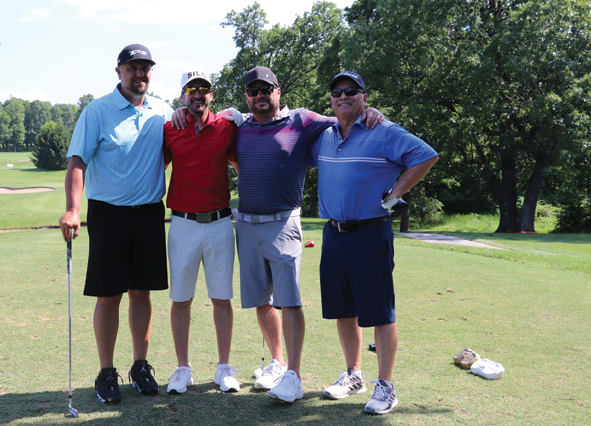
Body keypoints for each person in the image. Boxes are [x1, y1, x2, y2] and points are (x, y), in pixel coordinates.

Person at [233, 66, 384, 404]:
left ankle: (294, 375)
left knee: (289, 300)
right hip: (245, 223)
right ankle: (277, 361)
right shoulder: (238, 124)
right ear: (247, 96)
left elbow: (345, 120)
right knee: (261, 299)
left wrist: (369, 111)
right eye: (253, 90)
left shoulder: (303, 120)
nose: (260, 95)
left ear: (278, 91)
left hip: (284, 221)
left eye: (266, 89)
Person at [309, 70, 438, 414]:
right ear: (331, 101)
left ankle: (386, 386)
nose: (343, 96)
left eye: (351, 90)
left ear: (365, 98)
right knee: (343, 309)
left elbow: (426, 156)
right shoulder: (324, 136)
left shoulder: (382, 130)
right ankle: (354, 374)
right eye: (336, 92)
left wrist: (396, 192)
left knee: (380, 311)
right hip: (334, 234)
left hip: (370, 232)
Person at [58, 44, 172, 405]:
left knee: (142, 292)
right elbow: (78, 162)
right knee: (109, 296)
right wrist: (73, 210)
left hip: (150, 213)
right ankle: (107, 372)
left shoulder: (163, 111)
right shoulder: (98, 111)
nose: (140, 74)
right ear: (119, 71)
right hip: (108, 214)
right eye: (133, 68)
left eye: (146, 68)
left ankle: (140, 366)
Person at [163, 69, 241, 394]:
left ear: (212, 94)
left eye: (203, 89)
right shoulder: (170, 128)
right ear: (183, 96)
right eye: (191, 89)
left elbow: (244, 164)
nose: (198, 94)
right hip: (182, 224)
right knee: (182, 299)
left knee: (221, 299)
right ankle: (183, 368)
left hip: (221, 223)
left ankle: (224, 368)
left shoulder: (227, 127)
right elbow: (152, 166)